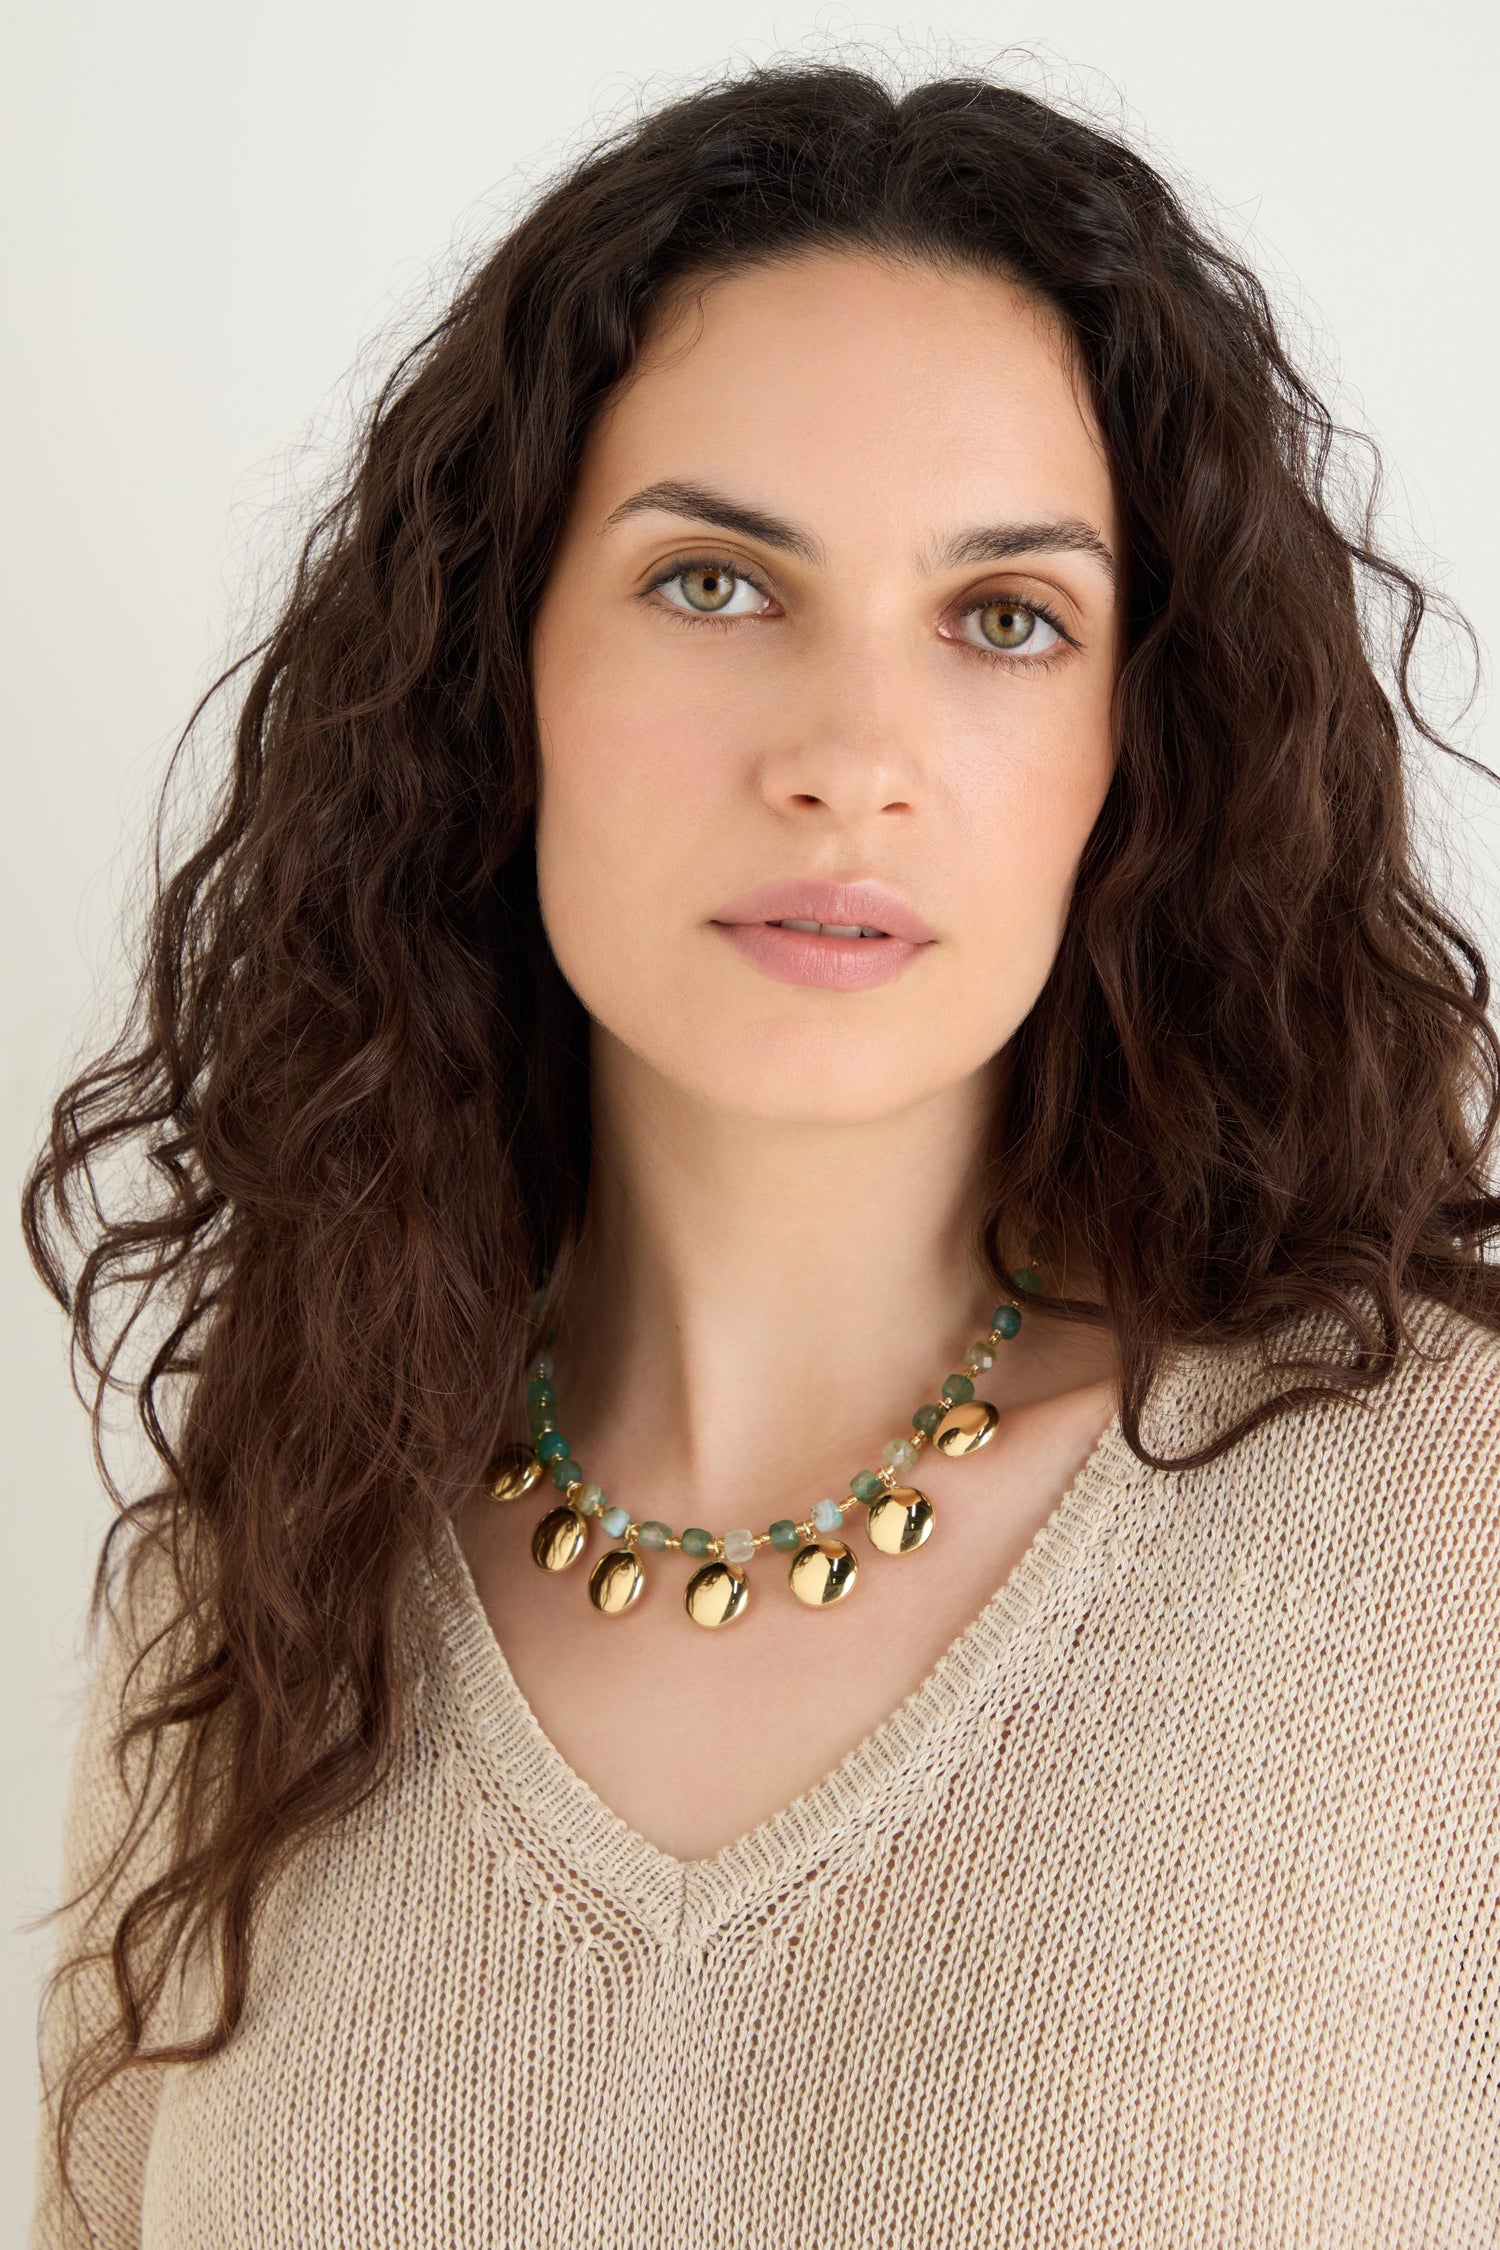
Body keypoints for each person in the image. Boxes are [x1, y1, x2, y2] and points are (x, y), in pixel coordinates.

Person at [24, 56, 1500, 2250]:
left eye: (1007, 618)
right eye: (715, 582)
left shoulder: (1443, 1552)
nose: (852, 760)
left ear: (1138, 747)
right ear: (491, 671)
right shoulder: (240, 1610)